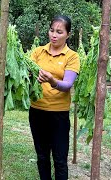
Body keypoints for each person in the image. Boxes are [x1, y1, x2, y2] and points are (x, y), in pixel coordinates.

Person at [29, 15, 80, 180]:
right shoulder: (38, 52)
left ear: (68, 34)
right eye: (52, 30)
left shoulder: (72, 56)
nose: (54, 35)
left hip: (59, 114)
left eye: (59, 31)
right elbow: (27, 73)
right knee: (42, 157)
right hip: (37, 111)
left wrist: (52, 80)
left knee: (59, 159)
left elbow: (67, 85)